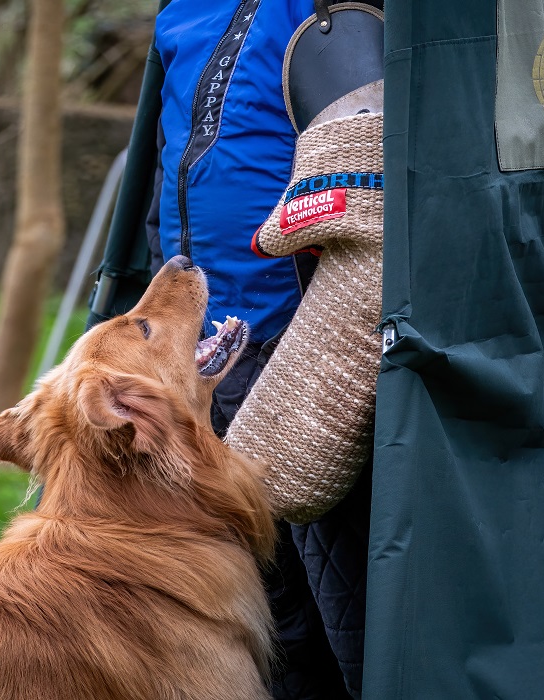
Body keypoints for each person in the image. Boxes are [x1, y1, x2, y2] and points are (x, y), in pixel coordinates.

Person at [142, 1, 383, 697]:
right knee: (264, 614)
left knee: (345, 604)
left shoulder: (323, 7)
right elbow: (170, 171)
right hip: (211, 358)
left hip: (314, 348)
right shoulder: (182, 13)